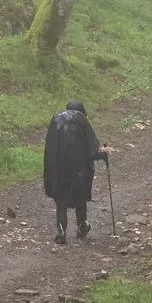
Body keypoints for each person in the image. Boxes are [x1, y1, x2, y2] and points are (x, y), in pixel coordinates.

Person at [43, 100, 111, 242]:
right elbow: (91, 150)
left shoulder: (56, 119)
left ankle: (61, 230)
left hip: (58, 168)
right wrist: (103, 154)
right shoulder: (81, 120)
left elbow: (48, 147)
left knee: (61, 198)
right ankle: (82, 225)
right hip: (78, 169)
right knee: (80, 197)